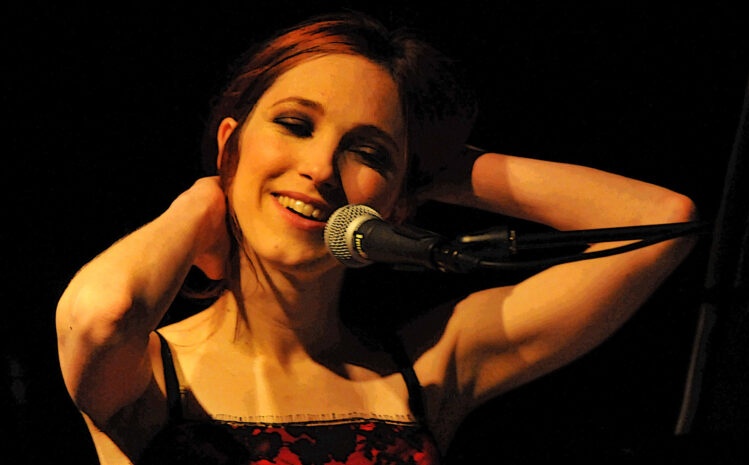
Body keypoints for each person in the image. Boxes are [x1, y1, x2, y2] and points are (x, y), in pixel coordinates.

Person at [55, 12, 697, 465]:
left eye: (367, 151)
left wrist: (445, 170)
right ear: (231, 145)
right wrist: (200, 200)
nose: (320, 167)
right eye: (295, 124)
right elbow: (101, 315)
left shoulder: (426, 369)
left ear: (399, 199)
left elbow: (662, 222)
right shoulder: (148, 373)